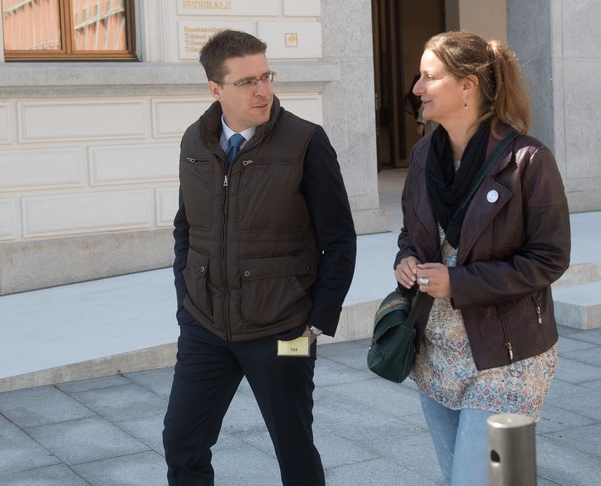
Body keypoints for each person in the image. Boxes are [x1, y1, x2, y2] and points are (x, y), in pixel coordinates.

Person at [163, 29, 357, 486]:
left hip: (281, 328)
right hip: (206, 326)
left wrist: (316, 321)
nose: (262, 89)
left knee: (293, 446)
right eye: (247, 81)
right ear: (216, 89)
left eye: (266, 76)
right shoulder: (195, 141)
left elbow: (340, 239)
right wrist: (186, 302)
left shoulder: (305, 142)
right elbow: (185, 228)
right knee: (181, 442)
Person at [393, 31, 571, 485]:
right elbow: (411, 232)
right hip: (434, 355)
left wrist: (460, 283)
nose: (416, 88)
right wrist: (407, 260)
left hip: (506, 359)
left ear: (468, 85)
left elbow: (550, 258)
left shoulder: (528, 159)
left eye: (429, 77)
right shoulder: (422, 157)